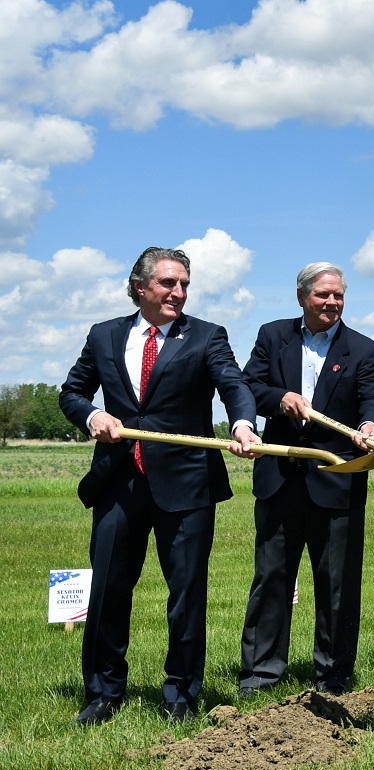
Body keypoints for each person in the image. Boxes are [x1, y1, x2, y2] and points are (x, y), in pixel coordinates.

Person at [59, 246, 261, 724]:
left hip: (187, 486)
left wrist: (242, 424)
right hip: (118, 484)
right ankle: (104, 692)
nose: (179, 292)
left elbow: (233, 385)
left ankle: (181, 695)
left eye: (185, 284)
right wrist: (93, 415)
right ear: (140, 287)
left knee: (186, 593)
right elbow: (72, 391)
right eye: (169, 283)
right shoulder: (104, 335)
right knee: (108, 589)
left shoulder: (207, 336)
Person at [238, 262, 374, 698]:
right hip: (279, 481)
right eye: (323, 295)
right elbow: (250, 385)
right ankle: (260, 675)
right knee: (271, 580)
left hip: (337, 480)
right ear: (302, 296)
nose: (332, 303)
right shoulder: (273, 335)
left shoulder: (364, 349)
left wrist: (371, 426)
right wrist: (279, 398)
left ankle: (334, 675)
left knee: (337, 585)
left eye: (338, 295)